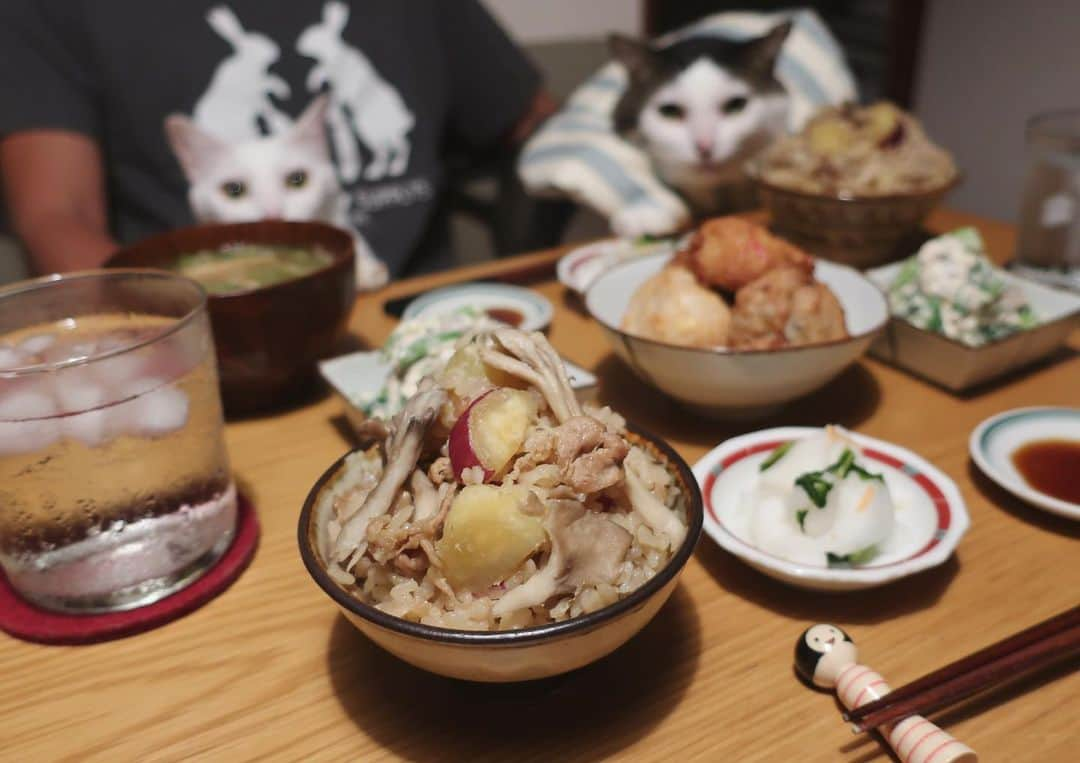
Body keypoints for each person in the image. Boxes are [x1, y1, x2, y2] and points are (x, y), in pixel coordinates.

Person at [0, 0, 554, 277]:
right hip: (215, 338)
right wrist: (187, 317)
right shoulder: (46, 13)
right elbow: (56, 215)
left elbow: (533, 121)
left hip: (415, 311)